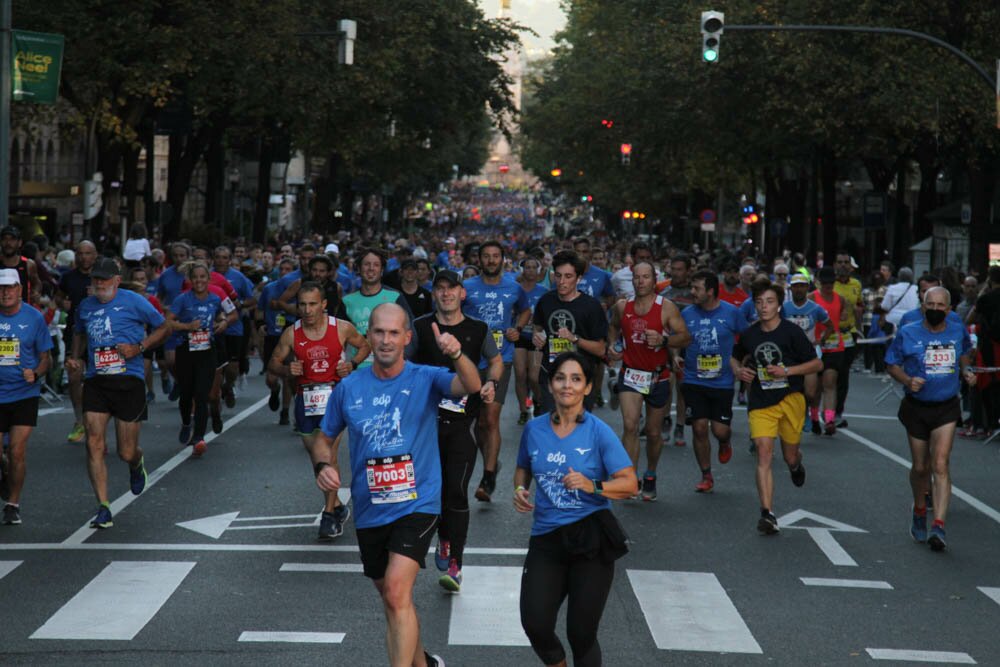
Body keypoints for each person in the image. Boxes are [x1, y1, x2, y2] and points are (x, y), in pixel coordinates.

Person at [314, 303, 481, 667]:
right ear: (368, 336)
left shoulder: (426, 377)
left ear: (407, 338)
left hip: (417, 503)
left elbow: (470, 384)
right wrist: (322, 465)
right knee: (393, 601)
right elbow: (324, 439)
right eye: (378, 332)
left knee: (395, 590)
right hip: (371, 508)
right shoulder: (349, 387)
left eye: (394, 333)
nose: (386, 340)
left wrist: (457, 353)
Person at [513, 351, 636, 667]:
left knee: (581, 634)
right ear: (551, 385)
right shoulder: (535, 429)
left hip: (590, 539)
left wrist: (592, 486)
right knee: (535, 624)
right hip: (547, 538)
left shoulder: (598, 431)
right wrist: (519, 488)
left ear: (587, 387)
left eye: (576, 379)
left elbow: (629, 483)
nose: (567, 385)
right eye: (560, 378)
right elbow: (522, 467)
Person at [409, 269, 500, 591]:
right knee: (429, 493)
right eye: (440, 289)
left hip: (462, 426)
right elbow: (403, 367)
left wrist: (490, 382)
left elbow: (496, 360)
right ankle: (442, 535)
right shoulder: (420, 327)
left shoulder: (477, 328)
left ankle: (456, 561)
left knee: (457, 491)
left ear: (462, 293)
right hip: (424, 428)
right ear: (434, 293)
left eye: (452, 288)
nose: (446, 294)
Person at [65, 258, 170, 529]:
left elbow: (163, 326)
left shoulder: (134, 301)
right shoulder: (85, 306)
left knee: (125, 452)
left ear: (116, 280)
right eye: (95, 280)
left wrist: (140, 347)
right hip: (97, 381)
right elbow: (78, 332)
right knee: (94, 444)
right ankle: (103, 506)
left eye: (103, 280)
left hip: (129, 381)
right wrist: (74, 358)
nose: (98, 284)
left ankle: (136, 463)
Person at [268, 281, 370, 540]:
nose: (307, 309)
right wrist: (286, 369)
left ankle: (327, 515)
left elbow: (365, 345)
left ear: (323, 304)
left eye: (313, 304)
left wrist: (353, 364)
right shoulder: (292, 333)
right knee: (317, 460)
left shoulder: (341, 328)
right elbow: (273, 363)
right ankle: (337, 506)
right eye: (302, 304)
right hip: (306, 401)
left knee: (327, 455)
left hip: (335, 399)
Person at [885, 287, 974, 551]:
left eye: (940, 305)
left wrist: (967, 370)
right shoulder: (908, 332)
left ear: (948, 309)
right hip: (916, 406)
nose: (935, 309)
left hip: (946, 405)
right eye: (930, 304)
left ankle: (938, 525)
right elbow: (891, 363)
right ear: (923, 306)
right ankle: (920, 508)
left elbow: (965, 353)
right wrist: (907, 380)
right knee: (921, 467)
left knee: (940, 463)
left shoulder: (958, 330)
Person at [734, 282, 822, 535]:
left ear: (779, 305)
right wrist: (739, 370)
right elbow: (734, 356)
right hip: (761, 402)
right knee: (763, 452)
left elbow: (816, 364)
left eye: (770, 301)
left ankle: (796, 466)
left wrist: (787, 371)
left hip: (791, 399)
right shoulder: (750, 335)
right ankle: (767, 513)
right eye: (759, 302)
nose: (764, 307)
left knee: (789, 455)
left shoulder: (792, 332)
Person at [607, 261, 690, 501]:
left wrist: (664, 342)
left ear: (654, 281)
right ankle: (629, 479)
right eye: (637, 277)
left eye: (645, 277)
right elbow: (613, 327)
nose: (641, 281)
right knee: (631, 426)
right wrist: (614, 345)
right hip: (631, 374)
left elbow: (684, 337)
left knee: (653, 433)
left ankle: (651, 473)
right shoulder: (623, 306)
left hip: (658, 376)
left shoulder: (667, 308)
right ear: (632, 279)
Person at [461, 241, 530, 502]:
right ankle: (492, 461)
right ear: (479, 260)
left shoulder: (513, 286)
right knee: (477, 422)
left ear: (503, 259)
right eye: (486, 256)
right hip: (469, 362)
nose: (491, 260)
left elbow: (525, 309)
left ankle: (488, 477)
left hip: (500, 360)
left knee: (490, 418)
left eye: (495, 256)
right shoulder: (466, 288)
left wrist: (518, 328)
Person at [680, 270, 749, 493]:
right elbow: (675, 338)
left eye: (697, 288)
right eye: (692, 288)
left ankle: (724, 442)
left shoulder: (731, 313)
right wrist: (675, 356)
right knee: (699, 428)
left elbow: (747, 339)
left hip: (722, 382)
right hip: (693, 379)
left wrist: (739, 364)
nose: (692, 293)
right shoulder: (687, 313)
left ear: (710, 291)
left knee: (720, 431)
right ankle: (706, 475)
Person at [165, 262, 238, 456]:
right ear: (190, 280)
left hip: (207, 350)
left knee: (202, 394)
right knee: (187, 394)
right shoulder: (182, 299)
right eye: (195, 277)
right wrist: (186, 327)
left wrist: (223, 322)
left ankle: (199, 437)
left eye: (202, 277)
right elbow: (168, 321)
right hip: (186, 350)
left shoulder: (216, 299)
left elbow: (233, 314)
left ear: (208, 279)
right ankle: (186, 422)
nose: (198, 281)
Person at [0, 269, 52, 525]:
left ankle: (13, 503)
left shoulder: (34, 318)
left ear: (20, 290)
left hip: (23, 393)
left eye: (10, 287)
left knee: (17, 450)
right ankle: (4, 474)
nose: (6, 292)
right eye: (1, 288)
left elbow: (46, 358)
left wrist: (36, 373)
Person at [531, 251, 608, 413]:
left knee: (577, 429)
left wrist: (575, 339)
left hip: (580, 377)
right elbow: (537, 328)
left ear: (578, 278)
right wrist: (537, 338)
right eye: (558, 276)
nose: (562, 281)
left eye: (568, 276)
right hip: (551, 375)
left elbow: (601, 349)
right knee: (552, 425)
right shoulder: (546, 301)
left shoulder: (591, 306)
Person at [57, 240, 98, 442]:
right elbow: (59, 296)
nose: (84, 257)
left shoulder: (101, 277)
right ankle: (79, 419)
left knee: (98, 381)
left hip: (98, 335)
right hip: (75, 333)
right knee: (74, 377)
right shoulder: (68, 277)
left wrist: (98, 294)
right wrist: (62, 303)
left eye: (88, 253)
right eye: (80, 253)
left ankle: (97, 422)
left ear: (95, 255)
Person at [781, 274, 831, 435]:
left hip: (808, 353)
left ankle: (806, 411)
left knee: (810, 392)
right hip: (788, 355)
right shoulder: (784, 308)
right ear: (791, 288)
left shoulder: (815, 308)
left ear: (807, 287)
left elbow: (829, 325)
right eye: (796, 286)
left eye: (802, 285)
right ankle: (792, 417)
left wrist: (821, 340)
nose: (799, 289)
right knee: (788, 390)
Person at [809, 266, 850, 435]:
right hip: (815, 347)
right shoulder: (812, 298)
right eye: (825, 283)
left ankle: (829, 420)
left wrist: (845, 318)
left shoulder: (840, 299)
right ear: (819, 283)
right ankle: (813, 419)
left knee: (830, 383)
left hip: (834, 347)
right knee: (815, 389)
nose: (828, 286)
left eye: (831, 283)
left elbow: (845, 317)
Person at [258, 258, 297, 425]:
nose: (284, 272)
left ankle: (285, 411)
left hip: (288, 336)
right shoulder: (269, 288)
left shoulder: (298, 289)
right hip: (272, 336)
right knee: (271, 378)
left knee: (288, 375)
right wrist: (260, 325)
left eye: (288, 269)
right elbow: (260, 309)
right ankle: (275, 391)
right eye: (282, 269)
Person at [514, 257, 548, 423]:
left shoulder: (544, 291)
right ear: (522, 270)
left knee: (534, 377)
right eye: (527, 267)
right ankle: (523, 409)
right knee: (520, 375)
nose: (530, 270)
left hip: (537, 337)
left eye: (534, 267)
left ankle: (540, 402)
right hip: (519, 336)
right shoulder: (516, 289)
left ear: (539, 270)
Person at [0, 225, 41, 306]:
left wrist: (35, 292)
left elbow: (36, 283)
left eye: (12, 239)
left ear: (20, 243)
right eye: (5, 239)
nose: (8, 243)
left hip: (21, 311)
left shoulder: (28, 264)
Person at [880, 266, 918, 331]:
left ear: (899, 276)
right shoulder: (916, 289)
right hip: (911, 319)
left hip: (893, 320)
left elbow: (884, 306)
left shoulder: (892, 288)